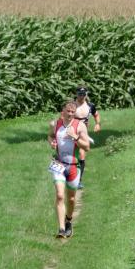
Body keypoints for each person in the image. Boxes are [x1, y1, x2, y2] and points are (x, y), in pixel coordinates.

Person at [47, 99, 91, 238]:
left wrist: (75, 137)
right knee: (60, 195)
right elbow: (50, 136)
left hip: (73, 166)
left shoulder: (80, 126)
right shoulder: (55, 124)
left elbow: (87, 147)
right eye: (68, 111)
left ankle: (68, 221)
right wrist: (52, 143)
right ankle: (61, 229)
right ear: (63, 111)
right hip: (58, 164)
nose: (70, 114)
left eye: (73, 112)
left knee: (71, 199)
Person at [73, 86, 101, 188]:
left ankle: (79, 180)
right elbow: (63, 117)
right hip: (72, 132)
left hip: (83, 134)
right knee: (70, 155)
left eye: (83, 94)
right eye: (80, 94)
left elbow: (96, 115)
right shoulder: (71, 105)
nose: (82, 96)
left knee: (81, 155)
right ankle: (69, 177)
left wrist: (97, 124)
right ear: (76, 94)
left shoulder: (90, 106)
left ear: (86, 94)